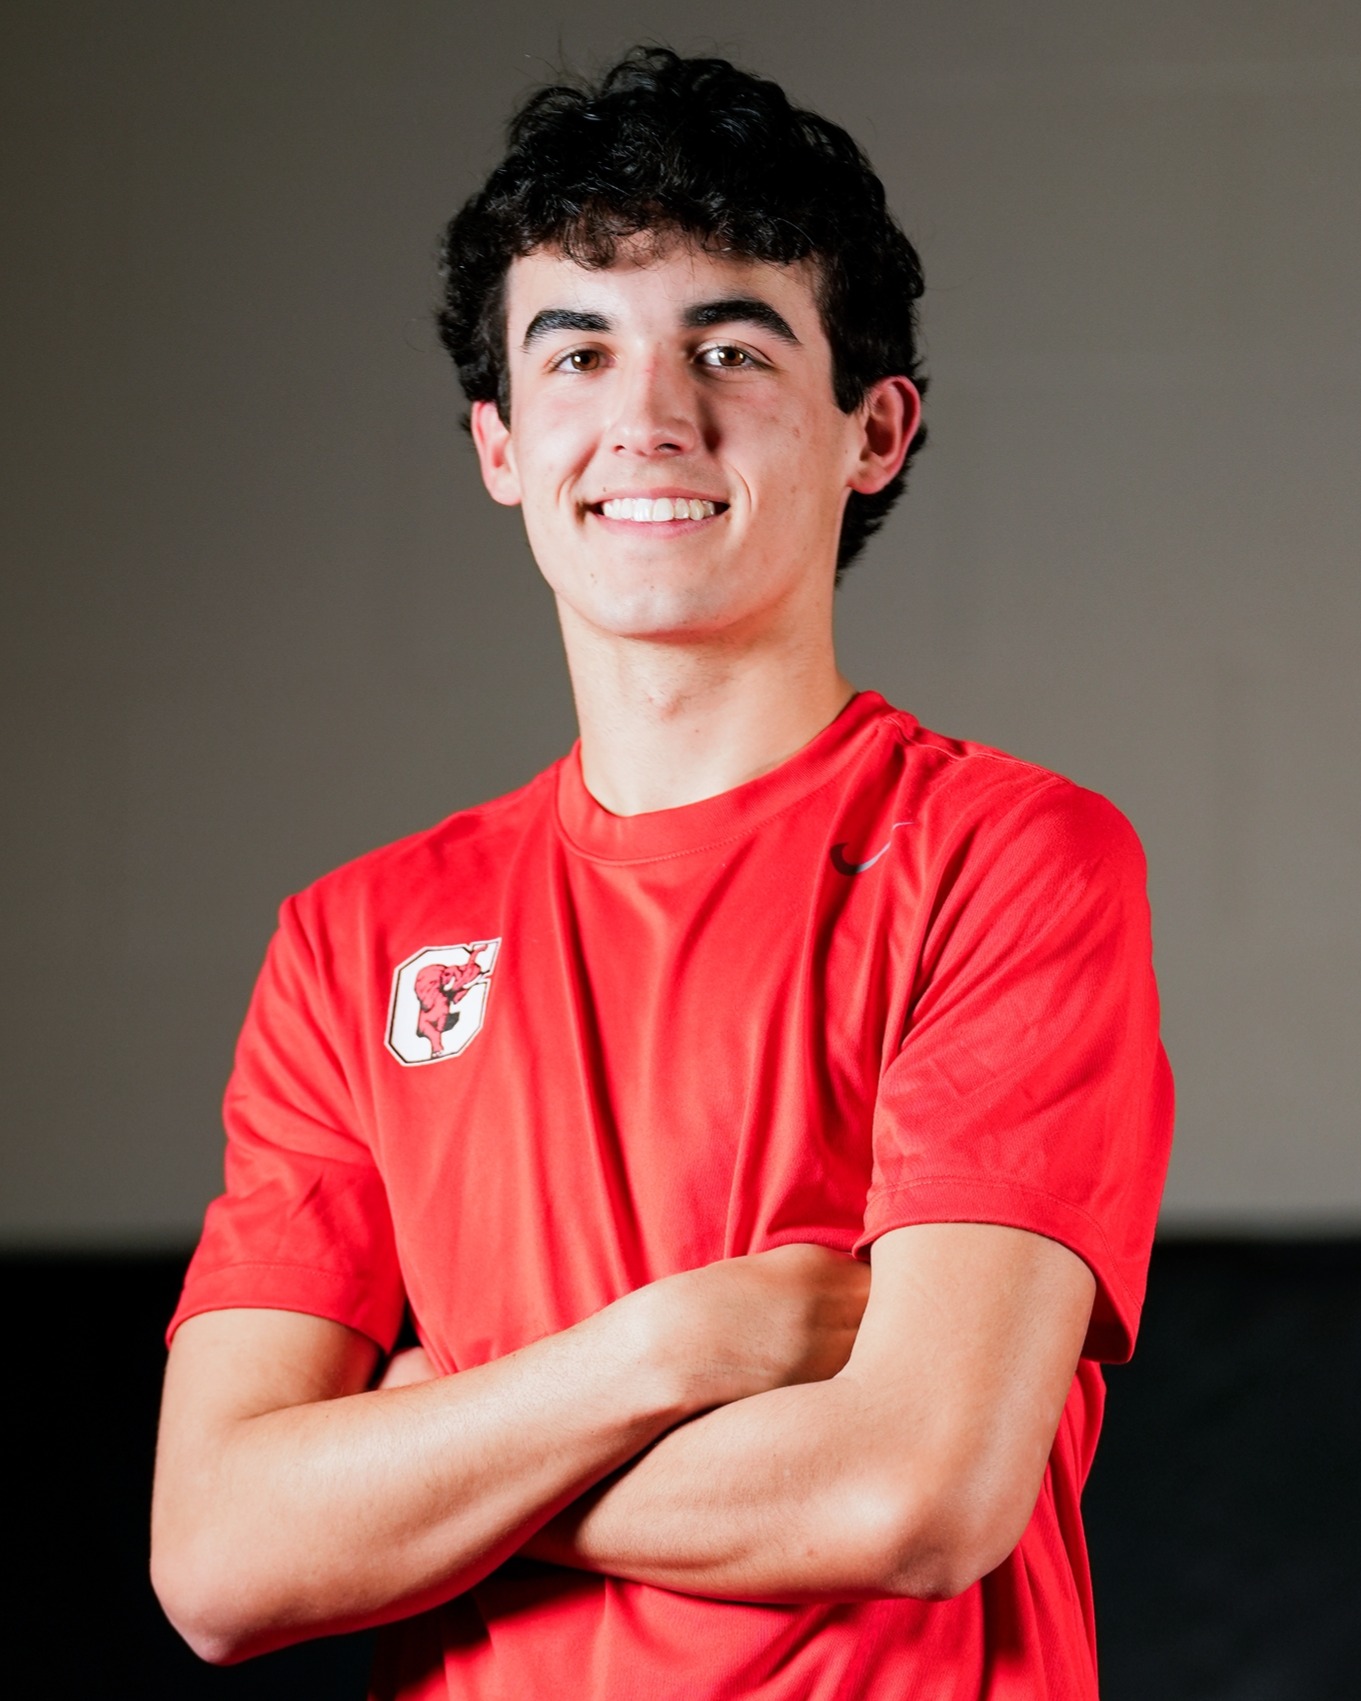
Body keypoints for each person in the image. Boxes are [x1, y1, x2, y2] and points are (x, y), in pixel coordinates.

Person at [151, 46, 1173, 1701]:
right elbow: (215, 1555)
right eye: (577, 353)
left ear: (874, 431)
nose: (647, 418)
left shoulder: (1003, 857)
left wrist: (423, 1450)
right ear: (498, 442)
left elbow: (912, 1492)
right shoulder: (355, 941)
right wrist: (666, 1351)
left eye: (731, 349)